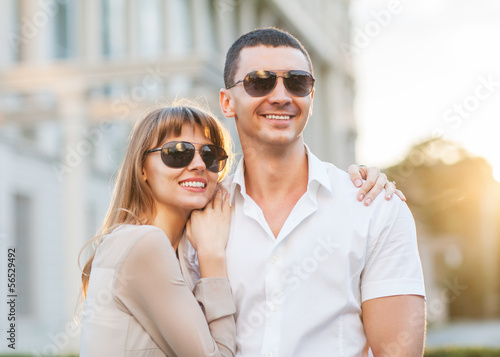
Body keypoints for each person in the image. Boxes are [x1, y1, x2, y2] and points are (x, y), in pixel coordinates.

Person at [179, 28, 426, 357]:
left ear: (311, 97)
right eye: (260, 81)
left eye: (297, 82)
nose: (281, 96)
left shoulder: (375, 208)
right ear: (227, 102)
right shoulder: (195, 218)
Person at [79, 104, 237, 356]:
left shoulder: (175, 253)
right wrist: (212, 254)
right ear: (143, 168)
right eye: (177, 153)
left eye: (210, 155)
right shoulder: (142, 243)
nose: (199, 164)